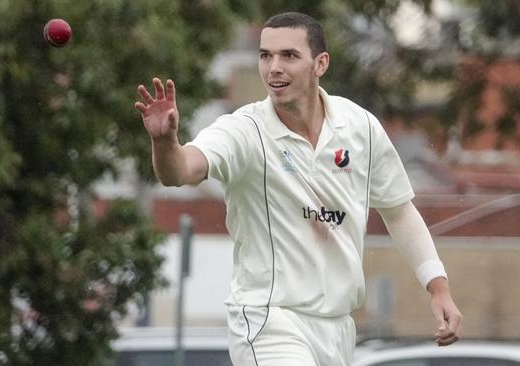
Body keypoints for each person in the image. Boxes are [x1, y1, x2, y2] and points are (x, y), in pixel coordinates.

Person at [135, 11, 462, 366]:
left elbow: (398, 211)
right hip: (268, 321)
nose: (274, 67)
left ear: (320, 63)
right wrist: (165, 142)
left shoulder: (361, 127)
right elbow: (180, 170)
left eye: (289, 56)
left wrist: (438, 286)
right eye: (265, 55)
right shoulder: (243, 130)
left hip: (337, 327)